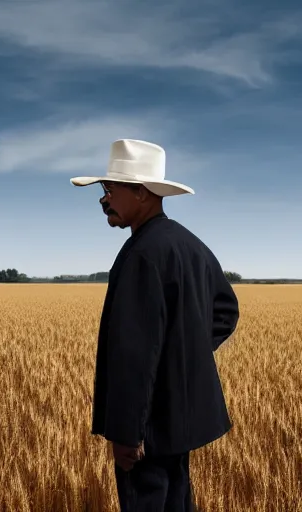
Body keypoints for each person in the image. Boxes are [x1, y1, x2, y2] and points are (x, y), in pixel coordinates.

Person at [70, 139, 240, 511]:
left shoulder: (143, 254)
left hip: (147, 432)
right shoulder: (189, 244)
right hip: (180, 426)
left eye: (110, 190)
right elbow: (226, 310)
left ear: (142, 194)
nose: (103, 200)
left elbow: (134, 354)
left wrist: (128, 434)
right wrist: (182, 356)